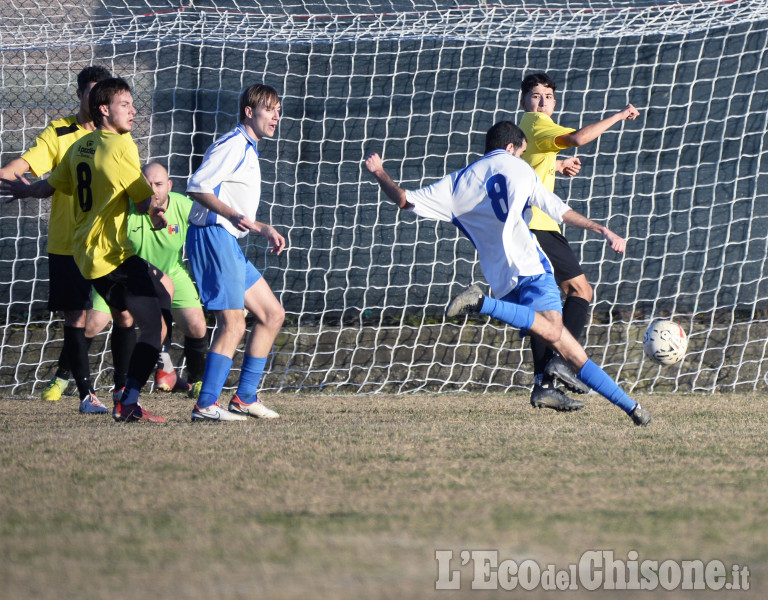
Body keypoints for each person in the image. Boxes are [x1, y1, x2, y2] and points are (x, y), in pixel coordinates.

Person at [363, 121, 652, 426]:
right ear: (511, 147)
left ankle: (630, 408)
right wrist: (601, 228)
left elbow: (404, 200)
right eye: (521, 152)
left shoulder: (457, 182)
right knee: (560, 339)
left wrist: (380, 172)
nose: (520, 158)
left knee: (564, 344)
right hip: (532, 267)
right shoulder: (521, 170)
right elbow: (558, 210)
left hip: (501, 278)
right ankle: (482, 304)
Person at [1, 77, 173, 423]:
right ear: (105, 109)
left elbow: (48, 187)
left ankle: (126, 390)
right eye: (126, 104)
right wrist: (155, 209)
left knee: (141, 306)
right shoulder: (121, 146)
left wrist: (25, 190)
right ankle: (133, 393)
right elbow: (141, 203)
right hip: (112, 255)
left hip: (84, 254)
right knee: (155, 324)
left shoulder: (82, 146)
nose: (134, 110)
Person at [518, 72, 640, 411]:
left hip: (527, 228)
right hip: (538, 228)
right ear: (524, 101)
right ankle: (561, 361)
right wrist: (619, 115)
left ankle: (544, 385)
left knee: (544, 312)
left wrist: (556, 166)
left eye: (548, 97)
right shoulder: (539, 124)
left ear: (555, 101)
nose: (542, 102)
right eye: (535, 95)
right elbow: (580, 138)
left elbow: (524, 168)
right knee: (581, 292)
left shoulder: (526, 132)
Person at [184, 83, 285, 422]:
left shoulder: (249, 148)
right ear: (249, 111)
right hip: (212, 236)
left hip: (227, 238)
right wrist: (238, 218)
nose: (275, 116)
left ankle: (244, 398)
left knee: (272, 314)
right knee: (233, 323)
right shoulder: (232, 144)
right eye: (269, 108)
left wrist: (259, 226)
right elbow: (197, 185)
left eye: (278, 110)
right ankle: (205, 404)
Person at [88, 162, 208, 399]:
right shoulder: (125, 208)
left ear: (170, 186)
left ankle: (197, 382)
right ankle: (64, 378)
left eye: (159, 184)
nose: (153, 190)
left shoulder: (183, 207)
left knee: (197, 325)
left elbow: (206, 235)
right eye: (147, 184)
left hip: (171, 271)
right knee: (91, 324)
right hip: (127, 274)